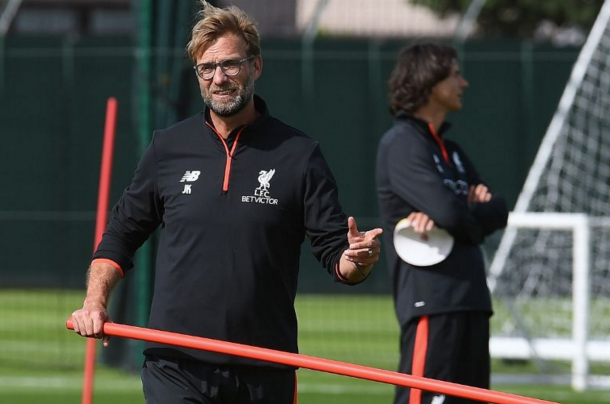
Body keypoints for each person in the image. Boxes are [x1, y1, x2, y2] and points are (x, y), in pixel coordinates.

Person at [70, 2, 382, 403]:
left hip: (263, 369)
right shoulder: (168, 148)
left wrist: (356, 260)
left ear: (256, 66)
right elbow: (120, 236)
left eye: (231, 65)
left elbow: (336, 255)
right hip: (175, 364)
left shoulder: (300, 155)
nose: (219, 78)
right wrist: (94, 301)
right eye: (207, 68)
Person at [376, 43, 508, 404]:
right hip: (432, 304)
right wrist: (459, 212)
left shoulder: (453, 152)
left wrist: (455, 215)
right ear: (430, 81)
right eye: (455, 75)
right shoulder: (402, 144)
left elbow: (499, 210)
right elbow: (453, 214)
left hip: (472, 301)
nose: (463, 83)